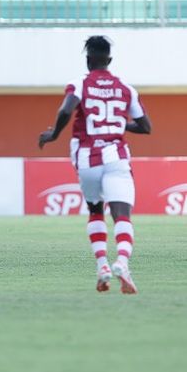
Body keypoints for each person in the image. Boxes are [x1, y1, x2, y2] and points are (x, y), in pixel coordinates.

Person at [38, 36, 151, 294]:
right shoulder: (126, 88)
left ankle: (102, 266)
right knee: (122, 214)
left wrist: (54, 134)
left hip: (87, 158)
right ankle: (122, 261)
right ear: (109, 60)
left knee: (95, 210)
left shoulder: (79, 84)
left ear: (88, 60)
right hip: (116, 156)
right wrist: (119, 124)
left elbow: (66, 110)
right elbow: (146, 127)